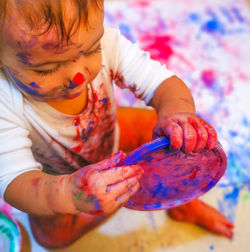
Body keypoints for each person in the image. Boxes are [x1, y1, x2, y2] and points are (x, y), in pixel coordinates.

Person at [0, 0, 233, 249]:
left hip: (109, 133)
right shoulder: (4, 102)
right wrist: (69, 194)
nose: (77, 76)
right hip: (57, 177)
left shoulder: (106, 42)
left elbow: (162, 84)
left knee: (173, 134)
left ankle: (184, 203)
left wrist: (178, 113)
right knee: (51, 238)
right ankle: (121, 193)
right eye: (47, 69)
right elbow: (14, 181)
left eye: (90, 51)